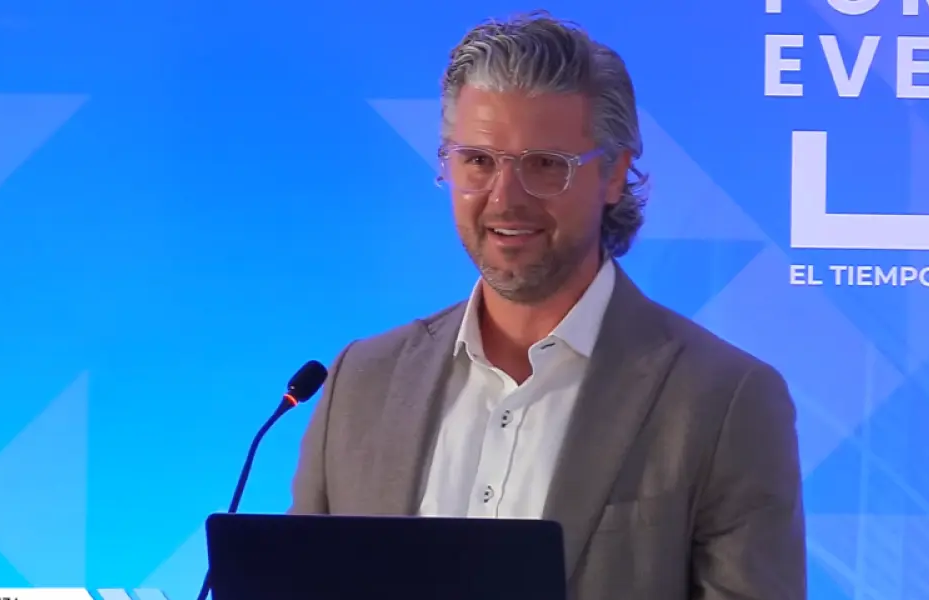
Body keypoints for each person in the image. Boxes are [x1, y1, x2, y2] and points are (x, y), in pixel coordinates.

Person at [290, 10, 805, 600]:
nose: (505, 198)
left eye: (544, 165)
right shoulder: (361, 383)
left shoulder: (725, 401)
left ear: (614, 174)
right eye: (478, 161)